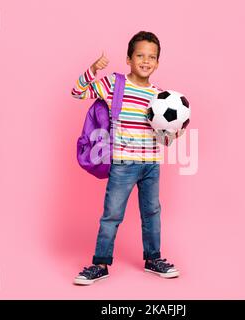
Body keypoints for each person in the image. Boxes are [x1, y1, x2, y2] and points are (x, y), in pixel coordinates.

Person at [71, 31, 180, 285]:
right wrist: (92, 70)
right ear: (129, 59)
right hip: (122, 164)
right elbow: (77, 92)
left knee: (152, 212)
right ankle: (100, 263)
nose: (146, 60)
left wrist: (175, 133)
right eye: (140, 55)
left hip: (151, 164)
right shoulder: (114, 84)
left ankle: (153, 259)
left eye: (151, 57)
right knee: (112, 214)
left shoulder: (161, 97)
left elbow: (163, 138)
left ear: (158, 63)